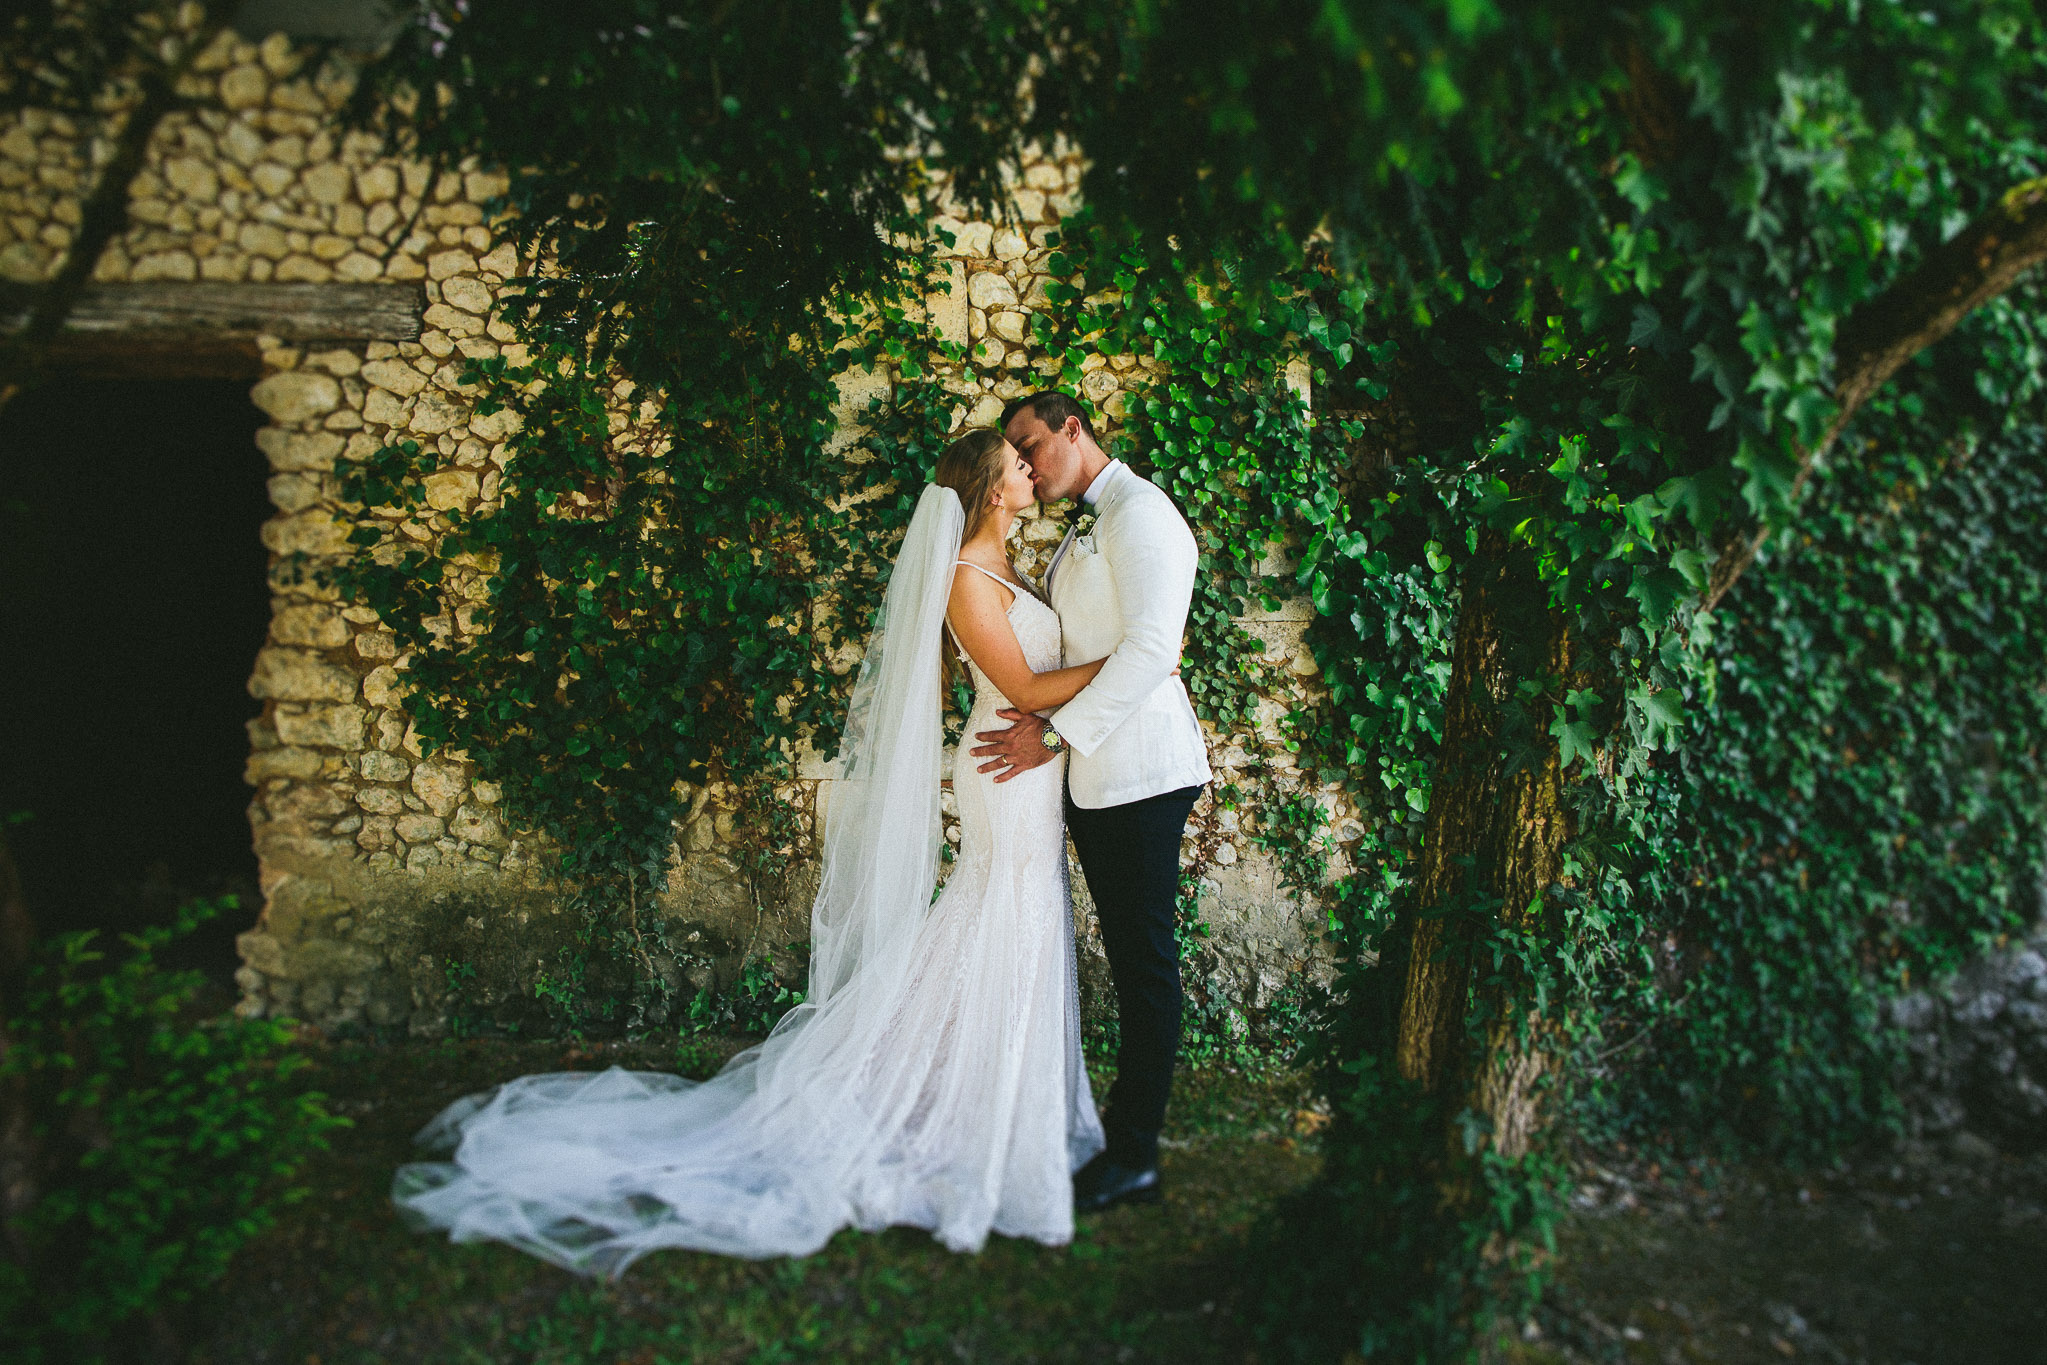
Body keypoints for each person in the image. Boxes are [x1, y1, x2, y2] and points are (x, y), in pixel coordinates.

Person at [392, 430, 1109, 1274]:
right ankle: (945, 1109)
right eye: (1018, 465)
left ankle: (989, 1107)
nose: (1032, 471)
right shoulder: (964, 578)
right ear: (991, 488)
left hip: (1032, 764)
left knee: (1018, 915)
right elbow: (1022, 689)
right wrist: (1127, 665)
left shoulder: (1020, 566)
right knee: (998, 910)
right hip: (1004, 761)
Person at [974, 390, 1212, 1214]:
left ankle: (1135, 1150)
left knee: (1144, 961)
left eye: (1031, 443)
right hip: (1101, 775)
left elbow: (1153, 647)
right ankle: (1113, 1134)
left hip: (1140, 771)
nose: (1028, 464)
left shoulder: (1141, 515)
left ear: (1072, 429)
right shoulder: (1091, 519)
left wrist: (1053, 732)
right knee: (1128, 954)